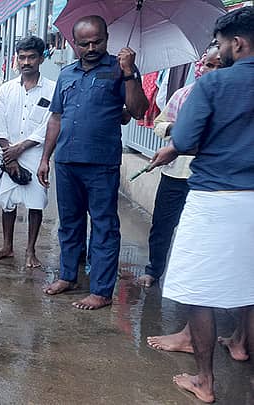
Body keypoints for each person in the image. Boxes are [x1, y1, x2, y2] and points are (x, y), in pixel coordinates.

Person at [147, 7, 254, 403]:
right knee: (250, 285)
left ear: (238, 43)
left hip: (216, 198)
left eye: (223, 44)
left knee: (198, 290)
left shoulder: (214, 86)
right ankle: (241, 345)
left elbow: (187, 138)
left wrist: (173, 145)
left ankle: (205, 381)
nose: (220, 52)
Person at [37, 15, 149, 309]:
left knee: (104, 226)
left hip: (101, 164)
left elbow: (138, 111)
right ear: (74, 44)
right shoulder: (67, 74)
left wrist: (128, 73)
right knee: (69, 224)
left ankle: (101, 290)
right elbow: (56, 118)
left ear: (107, 38)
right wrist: (45, 158)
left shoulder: (119, 69)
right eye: (84, 43)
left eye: (96, 41)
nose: (90, 47)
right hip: (66, 161)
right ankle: (68, 275)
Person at [138, 44, 221, 289]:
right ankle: (154, 270)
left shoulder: (230, 101)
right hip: (176, 172)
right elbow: (160, 123)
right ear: (201, 66)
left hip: (209, 178)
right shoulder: (183, 95)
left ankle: (199, 279)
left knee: (202, 231)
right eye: (209, 65)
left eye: (220, 66)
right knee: (163, 224)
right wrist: (178, 131)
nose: (213, 71)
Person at [0, 36, 53, 268]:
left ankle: (30, 250)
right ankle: (7, 246)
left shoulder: (52, 89)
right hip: (8, 154)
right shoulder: (6, 89)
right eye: (22, 57)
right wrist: (9, 154)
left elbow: (50, 125)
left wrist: (20, 149)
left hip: (36, 155)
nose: (26, 62)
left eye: (31, 57)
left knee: (36, 203)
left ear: (41, 58)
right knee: (8, 202)